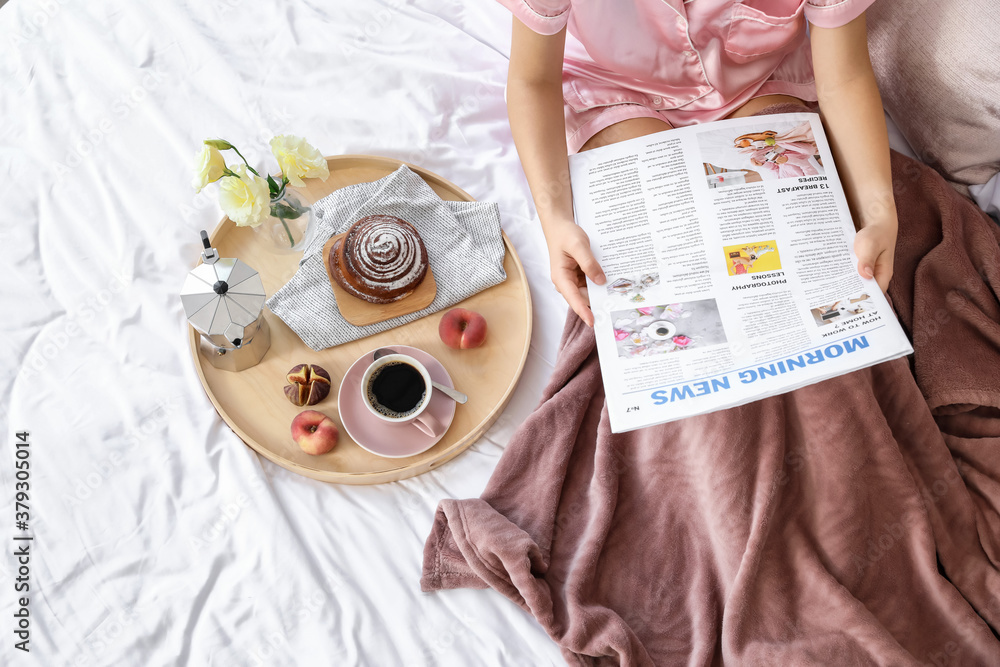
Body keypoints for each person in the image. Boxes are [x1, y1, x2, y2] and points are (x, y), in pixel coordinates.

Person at [500, 0, 896, 326]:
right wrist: (554, 220)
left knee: (807, 278)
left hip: (759, 82)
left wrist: (880, 214)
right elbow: (533, 80)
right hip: (615, 90)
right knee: (665, 286)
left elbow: (843, 77)